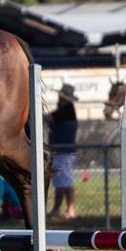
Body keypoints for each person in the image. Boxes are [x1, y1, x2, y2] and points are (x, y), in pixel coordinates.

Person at [48, 83, 79, 219]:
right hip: (60, 151)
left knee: (66, 181)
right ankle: (56, 209)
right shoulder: (65, 109)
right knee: (60, 182)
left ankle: (70, 209)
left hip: (64, 152)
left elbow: (49, 118)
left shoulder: (67, 109)